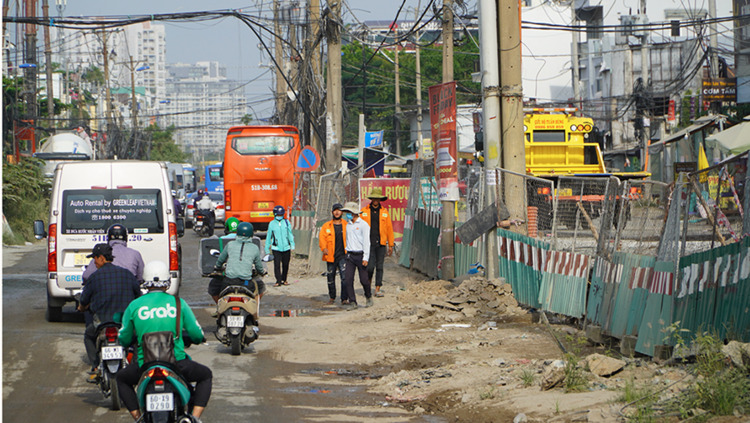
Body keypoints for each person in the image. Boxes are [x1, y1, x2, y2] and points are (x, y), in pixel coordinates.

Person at [117, 261, 211, 422]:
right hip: (176, 362)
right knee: (205, 375)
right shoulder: (179, 304)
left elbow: (124, 338)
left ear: (145, 282)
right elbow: (195, 334)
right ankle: (193, 418)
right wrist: (198, 339)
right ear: (167, 282)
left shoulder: (134, 306)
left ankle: (138, 417)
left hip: (144, 364)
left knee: (121, 379)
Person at [77, 243, 141, 381]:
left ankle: (95, 367)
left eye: (95, 258)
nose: (94, 262)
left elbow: (84, 300)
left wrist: (81, 308)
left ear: (101, 258)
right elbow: (138, 296)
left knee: (88, 336)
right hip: (123, 323)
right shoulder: (127, 274)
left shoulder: (94, 277)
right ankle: (136, 367)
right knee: (136, 340)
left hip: (102, 323)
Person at [210, 222, 266, 305]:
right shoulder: (254, 248)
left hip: (229, 281)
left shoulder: (230, 245)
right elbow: (259, 266)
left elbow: (220, 260)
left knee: (213, 286)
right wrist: (262, 272)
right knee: (261, 287)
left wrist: (217, 267)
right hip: (246, 283)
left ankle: (219, 307)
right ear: (251, 234)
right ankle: (254, 308)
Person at [359, 187, 395, 298]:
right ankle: (368, 285)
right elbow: (359, 227)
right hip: (368, 244)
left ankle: (378, 288)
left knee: (380, 266)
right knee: (370, 267)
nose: (376, 200)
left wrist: (391, 244)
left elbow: (389, 229)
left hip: (381, 244)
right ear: (372, 199)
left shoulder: (384, 212)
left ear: (380, 200)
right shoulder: (364, 212)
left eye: (378, 198)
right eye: (374, 198)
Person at [339, 202, 372, 309]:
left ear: (354, 213)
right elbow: (347, 240)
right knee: (348, 279)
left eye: (348, 212)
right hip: (350, 256)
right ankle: (353, 301)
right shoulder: (348, 225)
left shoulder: (363, 225)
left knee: (364, 280)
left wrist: (366, 257)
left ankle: (368, 296)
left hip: (361, 255)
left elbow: (367, 242)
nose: (347, 214)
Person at [319, 203, 347, 304]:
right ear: (332, 212)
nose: (337, 212)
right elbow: (322, 238)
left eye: (339, 210)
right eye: (335, 210)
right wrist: (324, 248)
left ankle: (344, 298)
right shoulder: (327, 226)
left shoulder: (346, 225)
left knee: (344, 277)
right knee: (330, 277)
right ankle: (332, 297)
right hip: (330, 255)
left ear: (342, 212)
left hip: (343, 255)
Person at [265, 205, 295, 286]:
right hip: (276, 248)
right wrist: (267, 248)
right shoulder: (272, 224)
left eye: (281, 215)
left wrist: (292, 244)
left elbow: (290, 234)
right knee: (277, 265)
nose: (279, 216)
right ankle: (278, 281)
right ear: (274, 215)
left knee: (286, 264)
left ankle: (284, 279)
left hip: (286, 247)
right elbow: (269, 236)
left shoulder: (286, 222)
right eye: (278, 215)